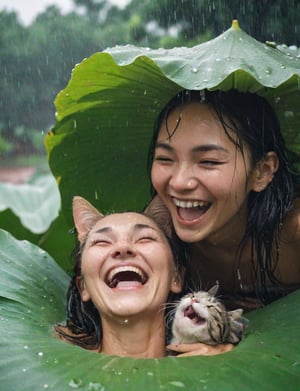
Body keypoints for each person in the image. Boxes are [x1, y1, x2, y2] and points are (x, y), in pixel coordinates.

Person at [146, 89, 300, 316]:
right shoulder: (154, 232)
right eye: (165, 159)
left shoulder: (294, 230)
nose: (179, 182)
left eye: (208, 161)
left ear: (262, 171)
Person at [55, 196, 233, 357]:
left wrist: (225, 364)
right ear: (83, 286)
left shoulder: (220, 365)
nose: (123, 247)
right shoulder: (51, 363)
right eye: (102, 241)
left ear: (176, 277)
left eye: (145, 238)